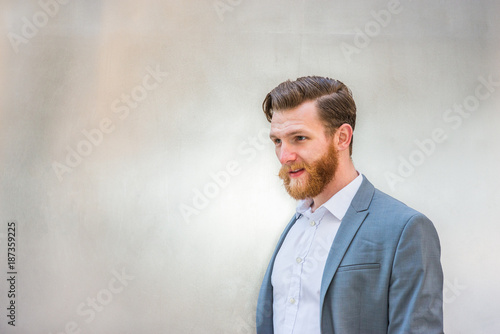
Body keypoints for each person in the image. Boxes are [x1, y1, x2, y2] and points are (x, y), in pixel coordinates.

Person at [256, 76, 443, 334]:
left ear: (342, 137)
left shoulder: (405, 229)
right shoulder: (294, 228)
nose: (284, 156)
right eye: (277, 141)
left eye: (299, 137)